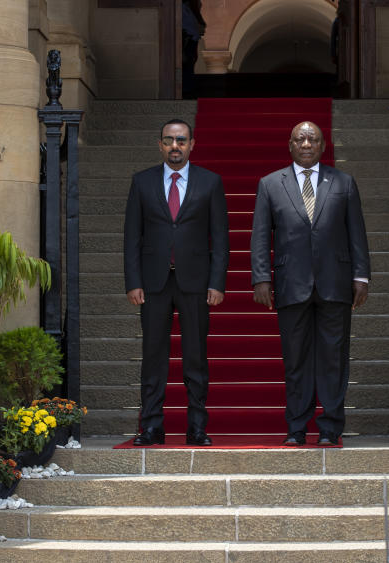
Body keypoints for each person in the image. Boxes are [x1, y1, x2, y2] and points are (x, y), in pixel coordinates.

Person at [250, 121, 370, 447]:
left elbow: (356, 233)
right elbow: (261, 236)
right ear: (290, 145)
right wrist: (261, 278)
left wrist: (361, 276)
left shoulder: (343, 182)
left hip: (336, 283)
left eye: (313, 139)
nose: (306, 144)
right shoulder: (270, 184)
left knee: (334, 358)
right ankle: (297, 428)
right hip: (291, 283)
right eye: (300, 139)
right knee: (296, 359)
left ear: (323, 145)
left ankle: (330, 428)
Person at [124, 119, 229, 446]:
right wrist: (133, 280)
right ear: (160, 144)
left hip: (196, 283)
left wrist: (217, 282)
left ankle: (197, 426)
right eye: (169, 140)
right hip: (153, 283)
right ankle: (151, 426)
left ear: (191, 144)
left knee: (195, 356)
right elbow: (131, 237)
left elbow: (221, 238)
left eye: (181, 140)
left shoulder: (210, 183)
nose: (174, 146)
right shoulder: (141, 182)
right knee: (153, 356)